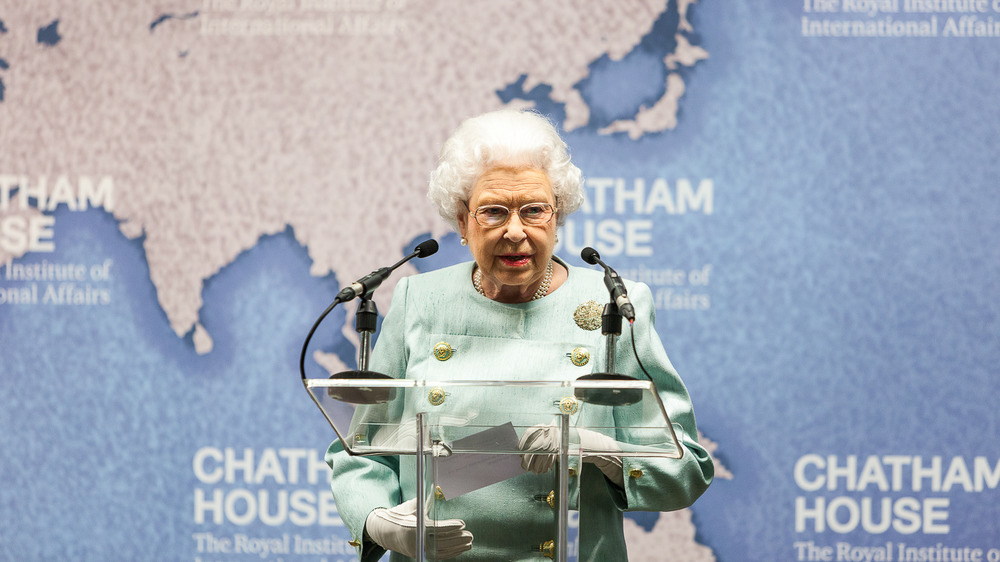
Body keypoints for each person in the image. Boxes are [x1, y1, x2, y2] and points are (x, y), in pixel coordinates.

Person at [326, 109, 714, 561]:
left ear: (558, 215)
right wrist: (377, 521)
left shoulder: (615, 304)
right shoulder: (418, 299)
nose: (515, 231)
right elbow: (362, 452)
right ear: (461, 220)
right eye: (493, 212)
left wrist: (608, 453)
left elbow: (687, 466)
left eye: (534, 210)